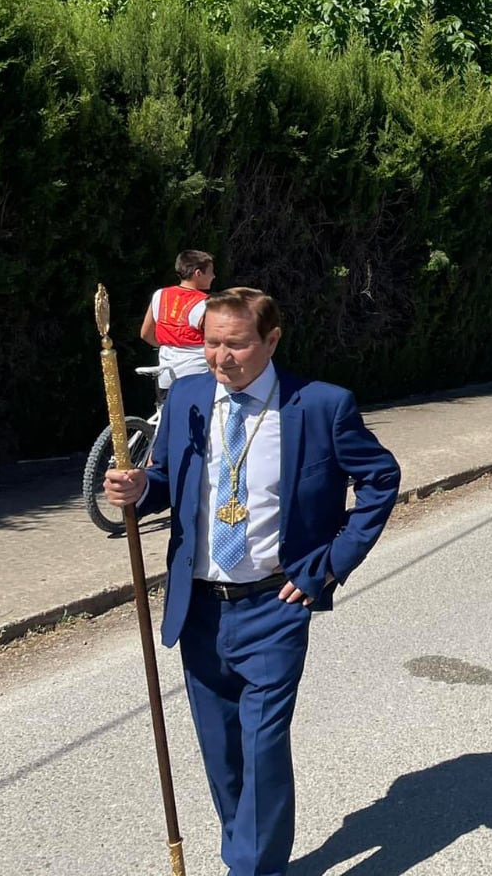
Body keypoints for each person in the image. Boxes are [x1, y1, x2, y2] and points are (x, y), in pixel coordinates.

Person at [104, 288, 400, 876]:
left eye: (236, 344)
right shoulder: (188, 397)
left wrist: (328, 566)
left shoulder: (320, 406)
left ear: (271, 340)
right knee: (223, 756)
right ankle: (247, 850)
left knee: (262, 752)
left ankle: (251, 868)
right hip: (200, 609)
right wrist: (140, 488)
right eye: (211, 343)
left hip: (274, 606)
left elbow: (380, 480)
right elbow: (166, 477)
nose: (221, 358)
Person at [139, 249, 216, 390]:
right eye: (211, 272)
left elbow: (145, 334)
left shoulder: (159, 295)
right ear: (198, 273)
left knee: (167, 411)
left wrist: (169, 346)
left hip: (166, 377)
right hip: (198, 375)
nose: (214, 276)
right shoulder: (204, 303)